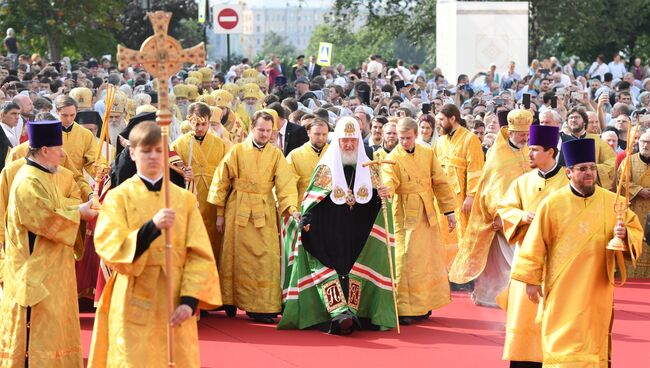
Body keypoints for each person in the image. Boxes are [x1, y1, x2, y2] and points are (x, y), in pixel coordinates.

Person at [89, 121, 221, 367]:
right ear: (132, 152)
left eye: (158, 151)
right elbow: (109, 245)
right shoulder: (119, 197)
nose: (152, 157)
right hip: (133, 295)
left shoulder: (184, 199)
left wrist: (190, 300)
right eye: (145, 150)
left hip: (175, 297)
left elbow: (200, 254)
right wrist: (151, 228)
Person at [511, 138, 643, 367]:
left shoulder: (614, 203)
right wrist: (530, 280)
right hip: (562, 286)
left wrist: (623, 235)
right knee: (561, 341)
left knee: (593, 338)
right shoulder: (552, 204)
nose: (589, 173)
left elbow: (634, 231)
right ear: (569, 172)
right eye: (583, 169)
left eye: (592, 168)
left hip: (597, 285)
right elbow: (535, 243)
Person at [278, 116, 396, 334]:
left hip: (358, 233)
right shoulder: (326, 168)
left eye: (353, 140)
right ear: (338, 141)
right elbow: (312, 200)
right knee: (328, 267)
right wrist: (307, 220)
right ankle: (337, 313)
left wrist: (382, 197)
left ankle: (356, 312)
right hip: (329, 231)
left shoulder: (368, 168)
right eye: (345, 140)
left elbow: (376, 204)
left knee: (355, 268)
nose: (349, 145)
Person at [0, 120, 97, 367]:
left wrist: (78, 207)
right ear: (44, 150)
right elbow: (44, 218)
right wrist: (80, 213)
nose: (63, 154)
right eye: (58, 148)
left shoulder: (46, 175)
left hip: (54, 272)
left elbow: (57, 206)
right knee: (37, 335)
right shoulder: (28, 180)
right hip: (35, 274)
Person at [208, 110, 298, 324]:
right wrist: (219, 214)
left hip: (264, 209)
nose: (265, 134)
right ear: (252, 129)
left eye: (269, 131)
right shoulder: (237, 151)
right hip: (237, 207)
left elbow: (285, 184)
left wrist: (291, 207)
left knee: (265, 256)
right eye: (261, 130)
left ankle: (261, 305)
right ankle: (229, 299)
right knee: (232, 255)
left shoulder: (276, 155)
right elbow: (221, 180)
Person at [496, 125, 568, 367]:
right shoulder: (522, 182)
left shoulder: (567, 182)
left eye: (535, 149)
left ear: (550, 152)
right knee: (523, 315)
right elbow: (505, 208)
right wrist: (522, 216)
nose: (529, 153)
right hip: (525, 259)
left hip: (557, 258)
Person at [450, 109, 533, 306]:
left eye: (527, 134)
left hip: (526, 214)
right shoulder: (498, 154)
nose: (525, 138)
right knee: (504, 261)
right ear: (511, 132)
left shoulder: (527, 150)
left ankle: (515, 297)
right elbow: (492, 188)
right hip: (503, 217)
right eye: (522, 134)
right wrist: (500, 215)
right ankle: (496, 296)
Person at [382, 117, 457, 324]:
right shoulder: (393, 157)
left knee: (428, 259)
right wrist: (386, 189)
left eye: (407, 138)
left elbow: (440, 181)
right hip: (404, 214)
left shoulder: (427, 153)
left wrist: (449, 211)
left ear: (416, 135)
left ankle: (424, 304)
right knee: (405, 259)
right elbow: (389, 178)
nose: (404, 142)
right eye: (401, 138)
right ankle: (405, 307)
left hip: (427, 213)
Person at [170, 102, 227, 263]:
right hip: (190, 203)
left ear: (209, 121)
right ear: (189, 121)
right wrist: (183, 175)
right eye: (196, 124)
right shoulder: (179, 144)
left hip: (212, 204)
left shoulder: (220, 145)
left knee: (212, 245)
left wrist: (221, 213)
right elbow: (171, 179)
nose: (200, 128)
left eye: (204, 124)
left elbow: (225, 179)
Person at [434, 104, 485, 260]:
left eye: (441, 120)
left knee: (463, 234)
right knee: (443, 235)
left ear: (452, 118)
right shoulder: (440, 141)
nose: (438, 124)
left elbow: (475, 170)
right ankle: (447, 272)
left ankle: (464, 274)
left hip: (462, 198)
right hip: (443, 199)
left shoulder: (470, 139)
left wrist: (470, 196)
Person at [620, 130, 650, 277]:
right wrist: (639, 191)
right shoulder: (629, 161)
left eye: (649, 143)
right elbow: (622, 180)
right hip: (635, 211)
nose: (646, 145)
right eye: (643, 141)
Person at [286, 117, 330, 201]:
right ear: (308, 133)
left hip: (330, 206)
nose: (321, 138)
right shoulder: (295, 155)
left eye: (324, 134)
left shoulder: (334, 153)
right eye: (317, 134)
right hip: (304, 204)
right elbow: (287, 185)